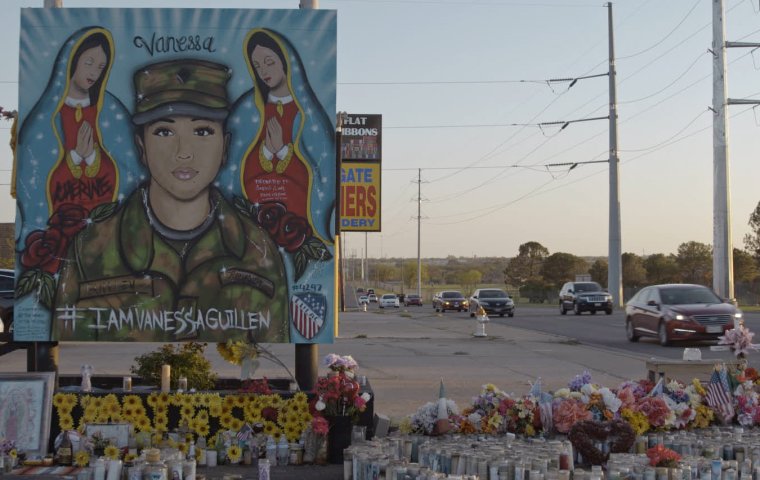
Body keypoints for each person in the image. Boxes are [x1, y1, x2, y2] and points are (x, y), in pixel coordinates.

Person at [53, 59, 289, 343]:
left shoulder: (257, 251)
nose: (184, 152)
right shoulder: (91, 248)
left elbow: (273, 344)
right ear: (142, 146)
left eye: (202, 131)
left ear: (224, 147)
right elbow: (70, 336)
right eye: (164, 132)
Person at [240, 28, 334, 244]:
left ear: (285, 62)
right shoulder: (252, 109)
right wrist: (267, 151)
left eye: (269, 62)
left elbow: (317, 168)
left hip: (296, 214)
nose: (264, 70)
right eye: (257, 66)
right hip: (258, 210)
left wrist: (281, 151)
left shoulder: (306, 113)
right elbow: (244, 164)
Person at [46, 29, 119, 215]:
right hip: (63, 213)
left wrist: (91, 157)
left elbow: (123, 167)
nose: (94, 72)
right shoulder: (50, 113)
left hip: (101, 211)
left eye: (101, 67)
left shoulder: (107, 111)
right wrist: (77, 155)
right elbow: (41, 169)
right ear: (72, 60)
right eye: (89, 63)